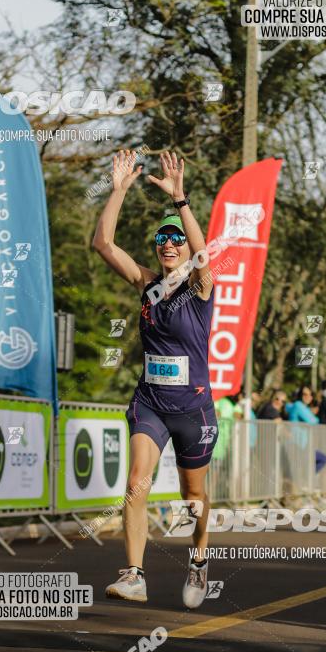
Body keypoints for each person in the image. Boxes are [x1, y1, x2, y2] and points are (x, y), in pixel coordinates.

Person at [92, 149, 218, 607]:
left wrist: (180, 199)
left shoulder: (200, 288)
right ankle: (134, 574)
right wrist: (120, 189)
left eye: (175, 239)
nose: (168, 244)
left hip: (193, 409)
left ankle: (200, 561)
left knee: (193, 495)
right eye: (161, 238)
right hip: (151, 404)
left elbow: (203, 255)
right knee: (136, 484)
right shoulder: (149, 286)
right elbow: (104, 245)